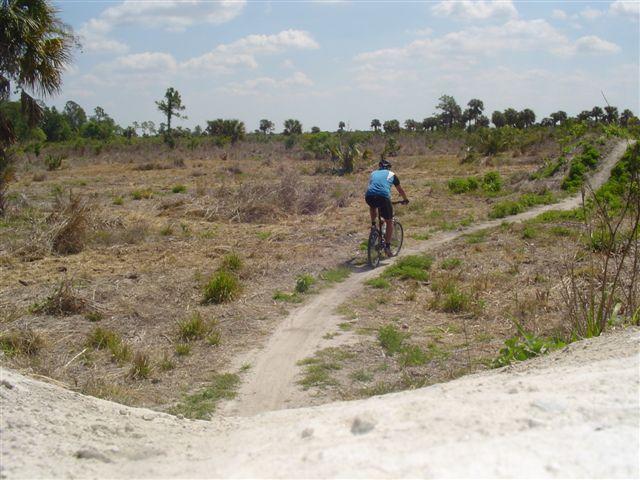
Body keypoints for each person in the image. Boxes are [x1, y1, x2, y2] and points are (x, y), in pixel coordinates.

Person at [365, 158, 409, 257]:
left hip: (369, 196)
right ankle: (388, 247)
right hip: (383, 197)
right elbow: (400, 190)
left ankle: (373, 225)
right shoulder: (392, 174)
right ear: (389, 168)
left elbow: (374, 185)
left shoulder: (373, 173)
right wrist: (405, 199)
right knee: (389, 222)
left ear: (380, 167)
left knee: (373, 206)